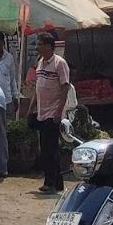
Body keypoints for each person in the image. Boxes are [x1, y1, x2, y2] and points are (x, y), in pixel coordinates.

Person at [28, 31, 71, 196]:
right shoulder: (40, 62)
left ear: (47, 46)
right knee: (47, 147)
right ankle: (56, 182)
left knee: (49, 148)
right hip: (41, 111)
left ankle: (50, 183)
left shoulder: (60, 63)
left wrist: (59, 112)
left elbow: (65, 87)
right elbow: (38, 87)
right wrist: (32, 107)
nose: (37, 47)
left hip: (53, 112)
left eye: (39, 44)